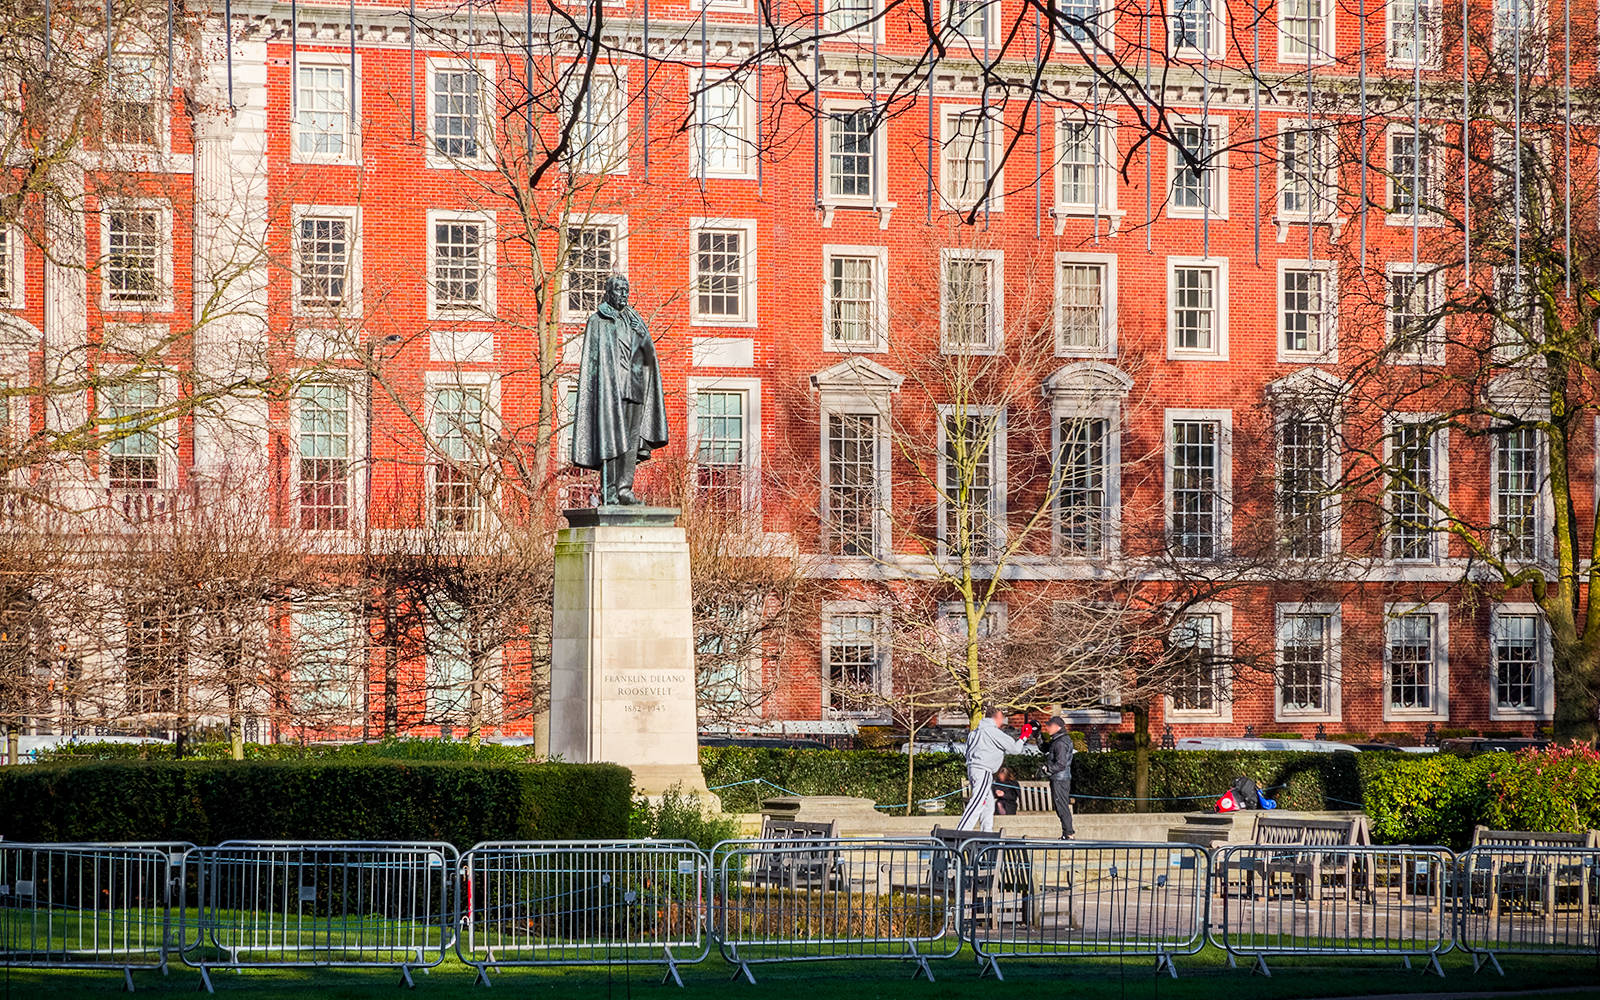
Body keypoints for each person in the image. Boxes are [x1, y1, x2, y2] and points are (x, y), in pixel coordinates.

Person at [571, 274, 669, 505]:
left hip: (635, 388)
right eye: (618, 290)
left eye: (626, 290)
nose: (623, 294)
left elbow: (648, 358)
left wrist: (643, 334)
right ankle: (611, 492)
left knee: (631, 442)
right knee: (611, 441)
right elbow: (592, 363)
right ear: (608, 292)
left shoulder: (635, 320)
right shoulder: (598, 321)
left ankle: (625, 489)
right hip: (610, 392)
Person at [956, 706, 1027, 832]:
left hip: (973, 769)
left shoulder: (974, 732)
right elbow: (1015, 749)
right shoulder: (992, 731)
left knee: (988, 805)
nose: (1003, 721)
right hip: (983, 770)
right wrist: (1024, 736)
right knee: (978, 802)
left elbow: (967, 752)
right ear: (996, 717)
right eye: (1002, 718)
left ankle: (986, 833)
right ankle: (960, 832)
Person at [1040, 716, 1075, 839]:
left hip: (1060, 779)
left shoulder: (1060, 743)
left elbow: (1061, 764)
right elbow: (1045, 749)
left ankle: (1069, 834)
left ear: (1057, 727)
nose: (1047, 727)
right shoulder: (1057, 739)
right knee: (1060, 805)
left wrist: (1047, 769)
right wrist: (1038, 735)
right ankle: (1067, 833)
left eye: (1050, 725)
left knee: (1061, 806)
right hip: (1060, 778)